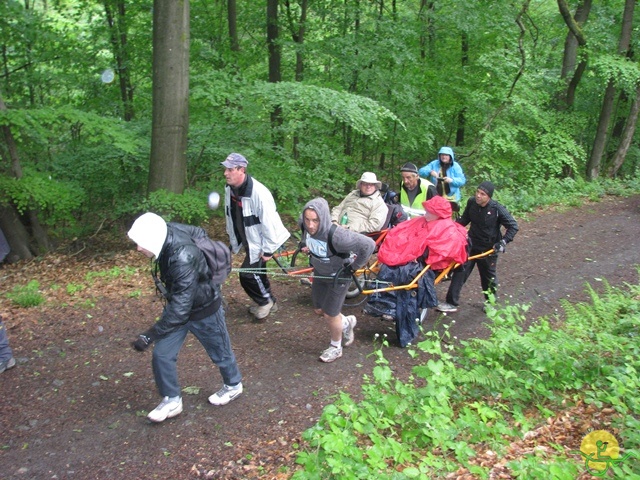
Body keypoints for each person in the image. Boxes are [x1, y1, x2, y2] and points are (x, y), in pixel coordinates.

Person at [128, 212, 243, 423]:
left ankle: (233, 385)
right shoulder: (168, 230)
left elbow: (181, 311)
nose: (138, 248)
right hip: (179, 307)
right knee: (162, 354)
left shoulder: (181, 258)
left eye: (140, 243)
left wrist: (149, 335)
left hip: (204, 308)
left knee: (220, 352)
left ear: (152, 240)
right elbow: (199, 232)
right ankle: (172, 399)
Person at [301, 198, 376, 363]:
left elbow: (369, 245)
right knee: (319, 310)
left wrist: (353, 267)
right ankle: (347, 322)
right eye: (307, 219)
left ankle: (336, 347)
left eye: (315, 220)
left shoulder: (338, 236)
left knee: (330, 314)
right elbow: (304, 240)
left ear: (323, 218)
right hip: (320, 273)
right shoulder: (305, 226)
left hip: (339, 276)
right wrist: (304, 247)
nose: (311, 225)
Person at [221, 153, 291, 321]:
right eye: (225, 169)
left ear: (241, 170)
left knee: (247, 274)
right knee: (258, 272)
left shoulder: (258, 193)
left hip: (262, 241)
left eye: (230, 169)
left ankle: (265, 302)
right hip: (248, 239)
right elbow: (231, 216)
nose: (225, 173)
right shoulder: (229, 189)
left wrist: (267, 250)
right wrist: (233, 240)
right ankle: (270, 302)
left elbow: (270, 223)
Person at [437, 181, 519, 313]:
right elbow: (464, 220)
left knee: (488, 277)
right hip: (471, 245)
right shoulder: (471, 203)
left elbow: (513, 226)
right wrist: (449, 228)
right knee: (460, 272)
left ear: (489, 197)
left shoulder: (497, 209)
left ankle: (491, 303)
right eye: (477, 192)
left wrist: (503, 242)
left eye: (483, 194)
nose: (478, 196)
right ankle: (451, 302)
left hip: (489, 249)